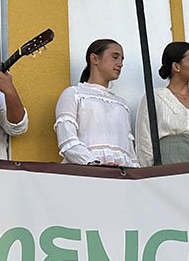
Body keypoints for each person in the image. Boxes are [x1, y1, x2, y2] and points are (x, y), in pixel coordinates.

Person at [55, 38, 138, 166]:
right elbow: (67, 140)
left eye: (122, 59)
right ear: (94, 59)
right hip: (85, 173)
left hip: (121, 177)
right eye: (115, 57)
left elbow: (130, 152)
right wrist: (93, 163)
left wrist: (135, 174)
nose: (120, 63)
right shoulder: (74, 94)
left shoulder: (121, 104)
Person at [135, 42, 189, 166]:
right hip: (168, 163)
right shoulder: (155, 98)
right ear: (176, 66)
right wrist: (149, 175)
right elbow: (144, 143)